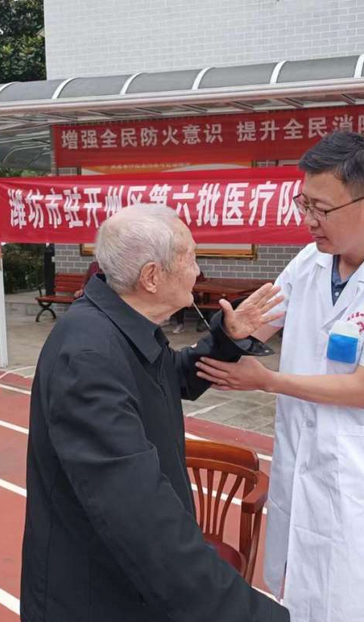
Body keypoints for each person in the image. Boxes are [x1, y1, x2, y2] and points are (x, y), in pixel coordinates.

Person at [195, 132, 364, 622]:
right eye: (303, 203)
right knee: (295, 599)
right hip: (300, 463)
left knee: (355, 604)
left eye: (322, 209)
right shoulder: (311, 262)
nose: (309, 220)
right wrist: (235, 330)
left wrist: (268, 380)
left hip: (357, 482)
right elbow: (263, 322)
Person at [21, 205, 290, 622]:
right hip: (93, 596)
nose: (198, 271)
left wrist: (226, 338)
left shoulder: (121, 324)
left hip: (122, 583)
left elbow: (170, 376)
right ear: (151, 277)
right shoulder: (89, 356)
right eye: (190, 258)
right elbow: (141, 517)